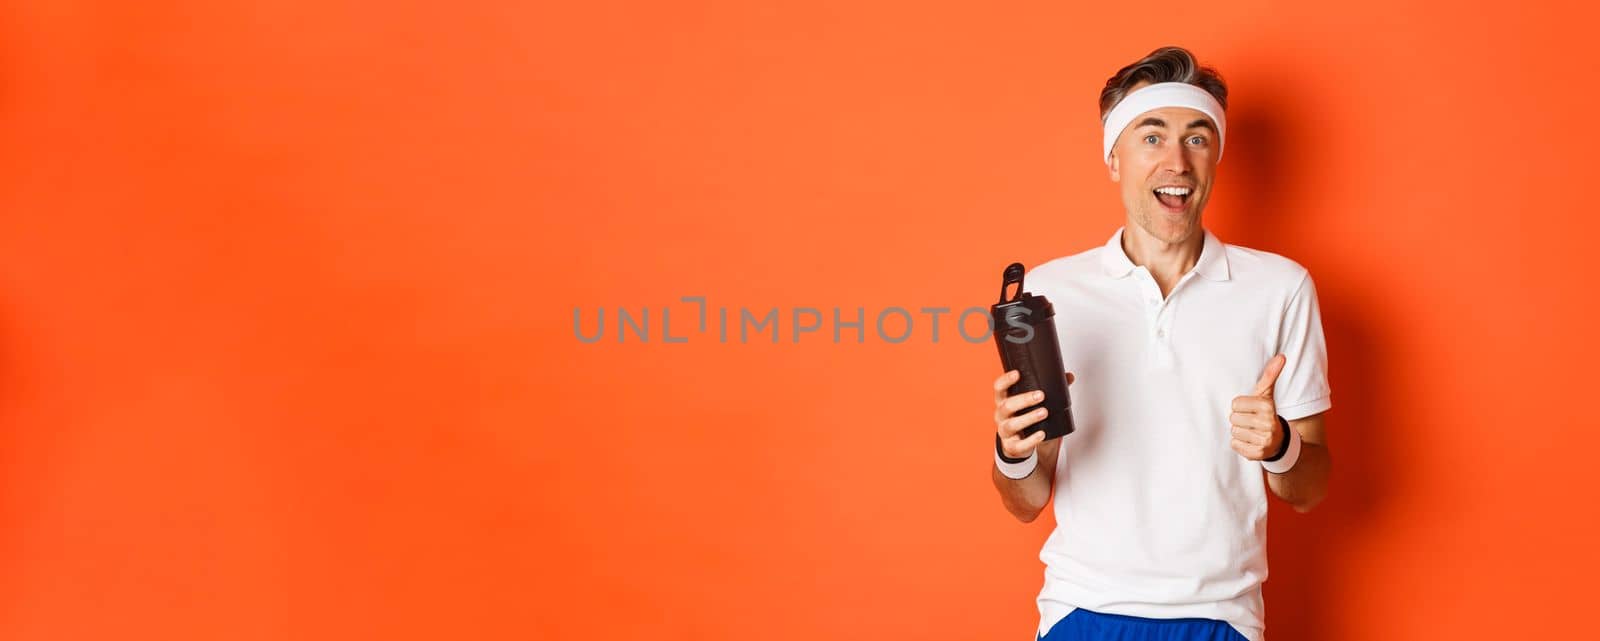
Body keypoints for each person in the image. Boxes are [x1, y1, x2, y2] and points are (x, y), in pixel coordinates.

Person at [990, 46, 1332, 641]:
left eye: (1197, 139)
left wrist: (1278, 446)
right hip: (1082, 610)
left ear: (1216, 157)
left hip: (1221, 617)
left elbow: (1310, 488)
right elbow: (1024, 502)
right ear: (1114, 159)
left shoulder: (1281, 287)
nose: (1177, 160)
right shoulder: (1048, 293)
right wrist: (1014, 451)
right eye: (1151, 138)